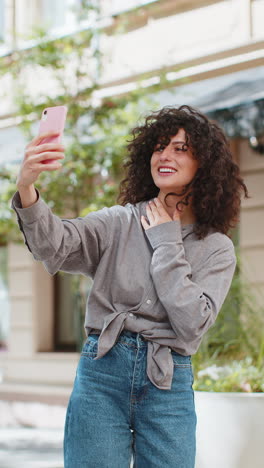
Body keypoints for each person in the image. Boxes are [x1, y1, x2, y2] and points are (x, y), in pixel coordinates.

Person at [11, 104, 248, 468]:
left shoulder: (216, 248)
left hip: (168, 382)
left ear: (206, 165)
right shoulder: (119, 222)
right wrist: (27, 186)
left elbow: (191, 324)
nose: (165, 155)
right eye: (159, 146)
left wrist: (167, 241)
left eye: (181, 148)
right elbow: (54, 245)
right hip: (103, 373)